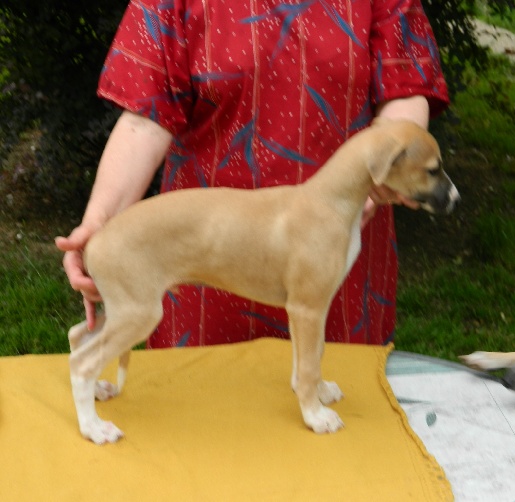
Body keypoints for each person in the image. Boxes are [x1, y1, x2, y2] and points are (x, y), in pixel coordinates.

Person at [56, 0, 449, 348]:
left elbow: (405, 90)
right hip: (202, 253)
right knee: (204, 415)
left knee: (338, 416)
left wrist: (377, 181)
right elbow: (145, 120)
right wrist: (101, 223)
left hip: (338, 244)